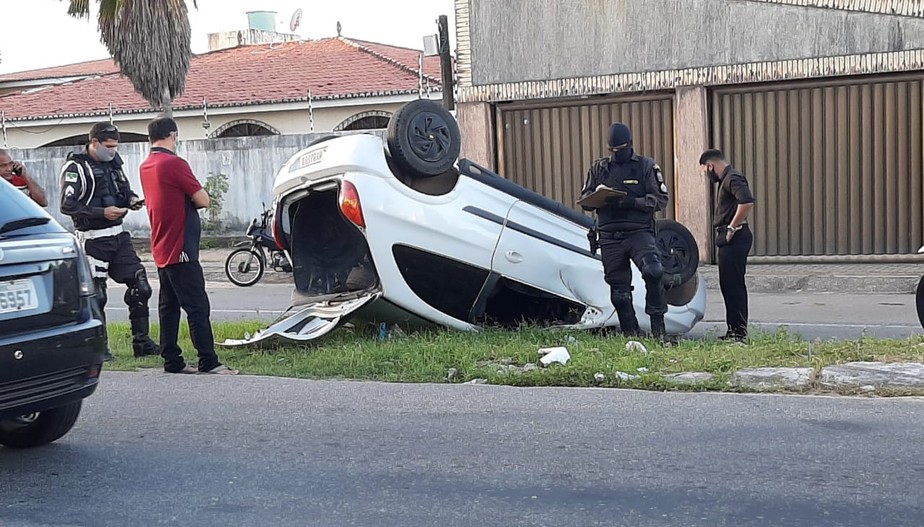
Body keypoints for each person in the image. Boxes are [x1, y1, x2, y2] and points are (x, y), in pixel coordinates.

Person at [139, 117, 237, 375]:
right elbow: (203, 199)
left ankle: (171, 359)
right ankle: (209, 360)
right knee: (197, 307)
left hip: (161, 244)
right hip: (181, 246)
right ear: (173, 135)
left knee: (168, 307)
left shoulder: (146, 165)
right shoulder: (174, 163)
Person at [60, 122, 159, 360]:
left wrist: (133, 200)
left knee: (140, 285)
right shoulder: (75, 167)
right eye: (108, 146)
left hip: (118, 235)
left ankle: (142, 342)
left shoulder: (114, 164)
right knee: (98, 294)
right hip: (93, 239)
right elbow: (67, 205)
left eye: (115, 146)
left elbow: (124, 190)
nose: (113, 150)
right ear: (94, 142)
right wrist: (101, 213)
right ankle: (99, 348)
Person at [581, 123, 670, 338]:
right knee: (619, 292)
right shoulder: (599, 168)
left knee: (653, 271)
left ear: (630, 144)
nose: (616, 155)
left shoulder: (645, 166)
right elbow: (585, 200)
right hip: (610, 236)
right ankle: (631, 334)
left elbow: (660, 199)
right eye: (613, 151)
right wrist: (598, 199)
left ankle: (659, 331)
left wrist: (631, 202)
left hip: (638, 232)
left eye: (620, 150)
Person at [700, 149, 755, 343]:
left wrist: (732, 227)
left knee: (735, 286)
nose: (707, 175)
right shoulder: (727, 179)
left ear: (710, 166)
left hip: (736, 237)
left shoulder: (732, 178)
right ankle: (733, 331)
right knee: (728, 286)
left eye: (705, 171)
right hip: (729, 237)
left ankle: (739, 334)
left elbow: (747, 202)